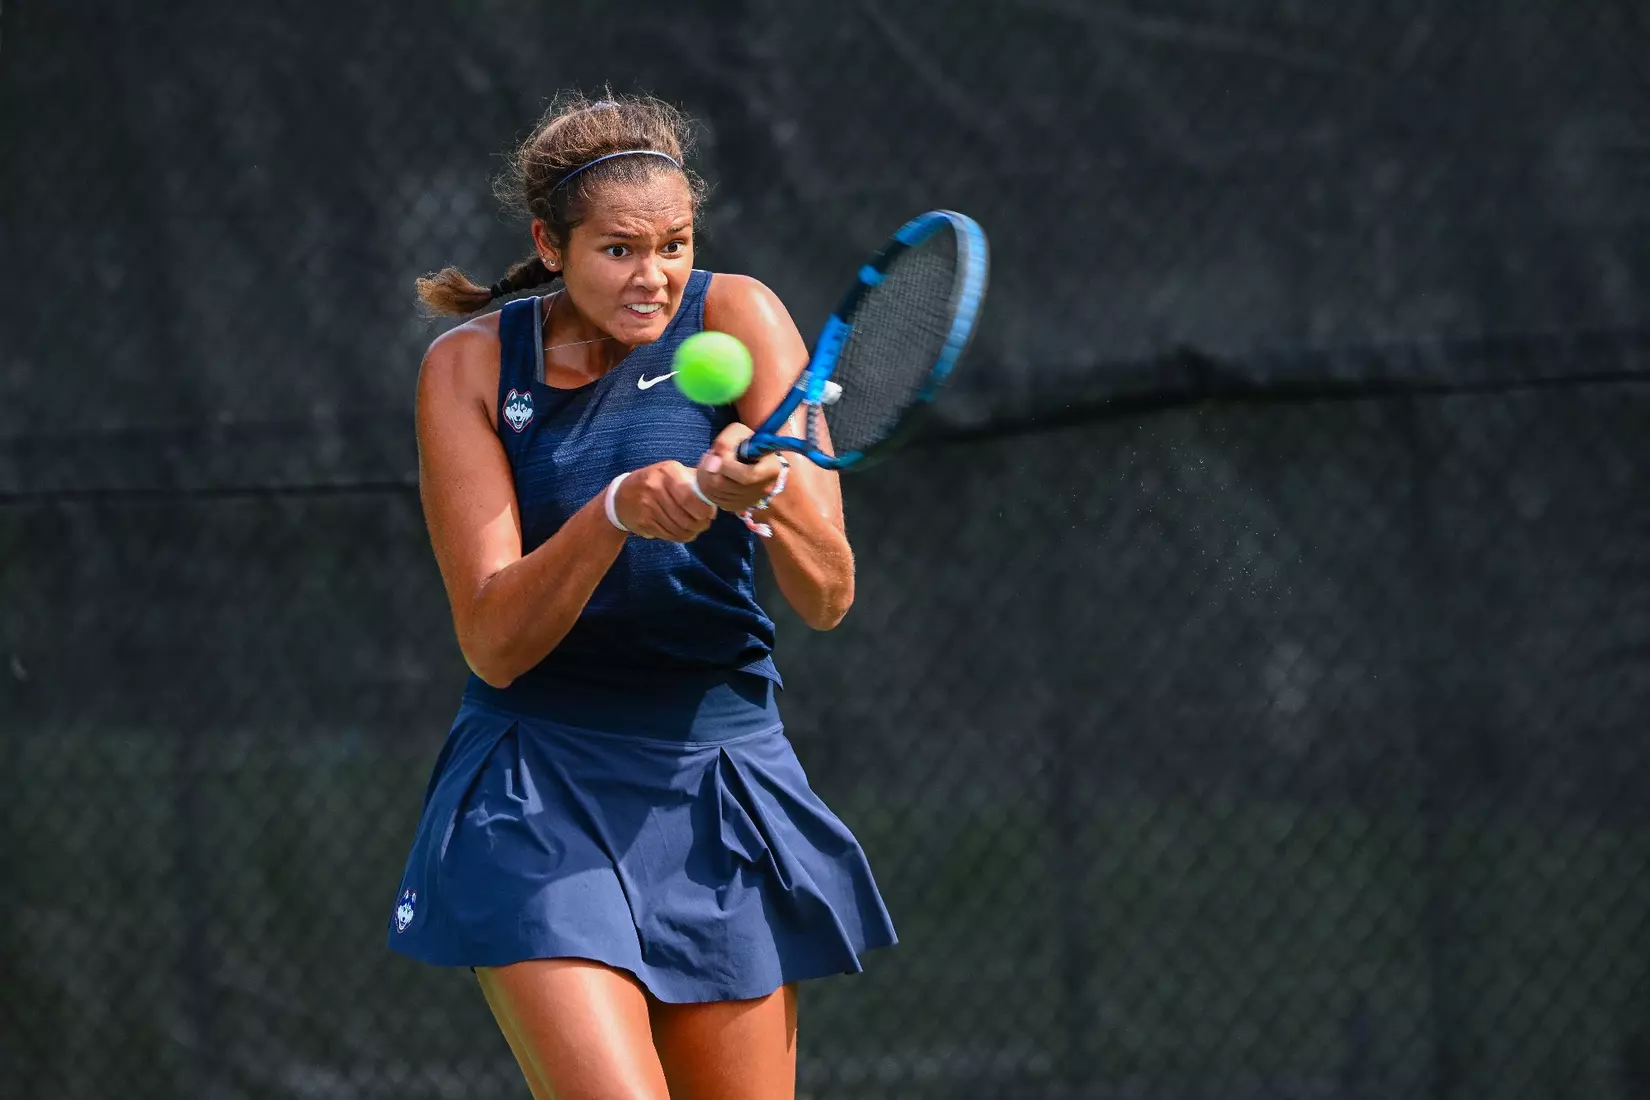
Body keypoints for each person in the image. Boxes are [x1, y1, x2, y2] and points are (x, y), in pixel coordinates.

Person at [388, 92, 896, 1100]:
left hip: (718, 779)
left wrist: (769, 493)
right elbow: (494, 640)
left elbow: (828, 590)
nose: (654, 275)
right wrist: (615, 508)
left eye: (674, 245)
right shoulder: (471, 368)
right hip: (537, 783)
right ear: (550, 242)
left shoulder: (741, 314)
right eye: (620, 249)